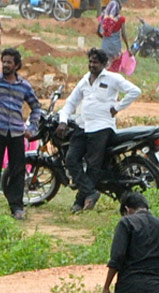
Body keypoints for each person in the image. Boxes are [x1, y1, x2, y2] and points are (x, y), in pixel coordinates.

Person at [58, 48, 142, 212]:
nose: (92, 65)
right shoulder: (84, 80)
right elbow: (71, 102)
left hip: (102, 127)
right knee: (71, 159)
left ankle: (79, 202)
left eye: (95, 62)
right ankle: (90, 192)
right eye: (90, 61)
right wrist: (63, 120)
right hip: (83, 125)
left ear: (104, 64)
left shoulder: (112, 78)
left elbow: (135, 91)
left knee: (93, 166)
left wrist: (118, 107)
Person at [0, 48, 41, 220]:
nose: (5, 65)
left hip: (16, 134)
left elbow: (36, 107)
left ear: (16, 65)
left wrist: (32, 128)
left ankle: (16, 207)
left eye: (9, 62)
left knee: (17, 170)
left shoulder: (24, 86)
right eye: (3, 61)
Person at [97, 0, 129, 72]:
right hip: (116, 48)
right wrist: (127, 47)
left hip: (105, 47)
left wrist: (105, 38)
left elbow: (98, 32)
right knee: (114, 69)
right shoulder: (121, 19)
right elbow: (123, 34)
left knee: (104, 67)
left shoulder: (103, 18)